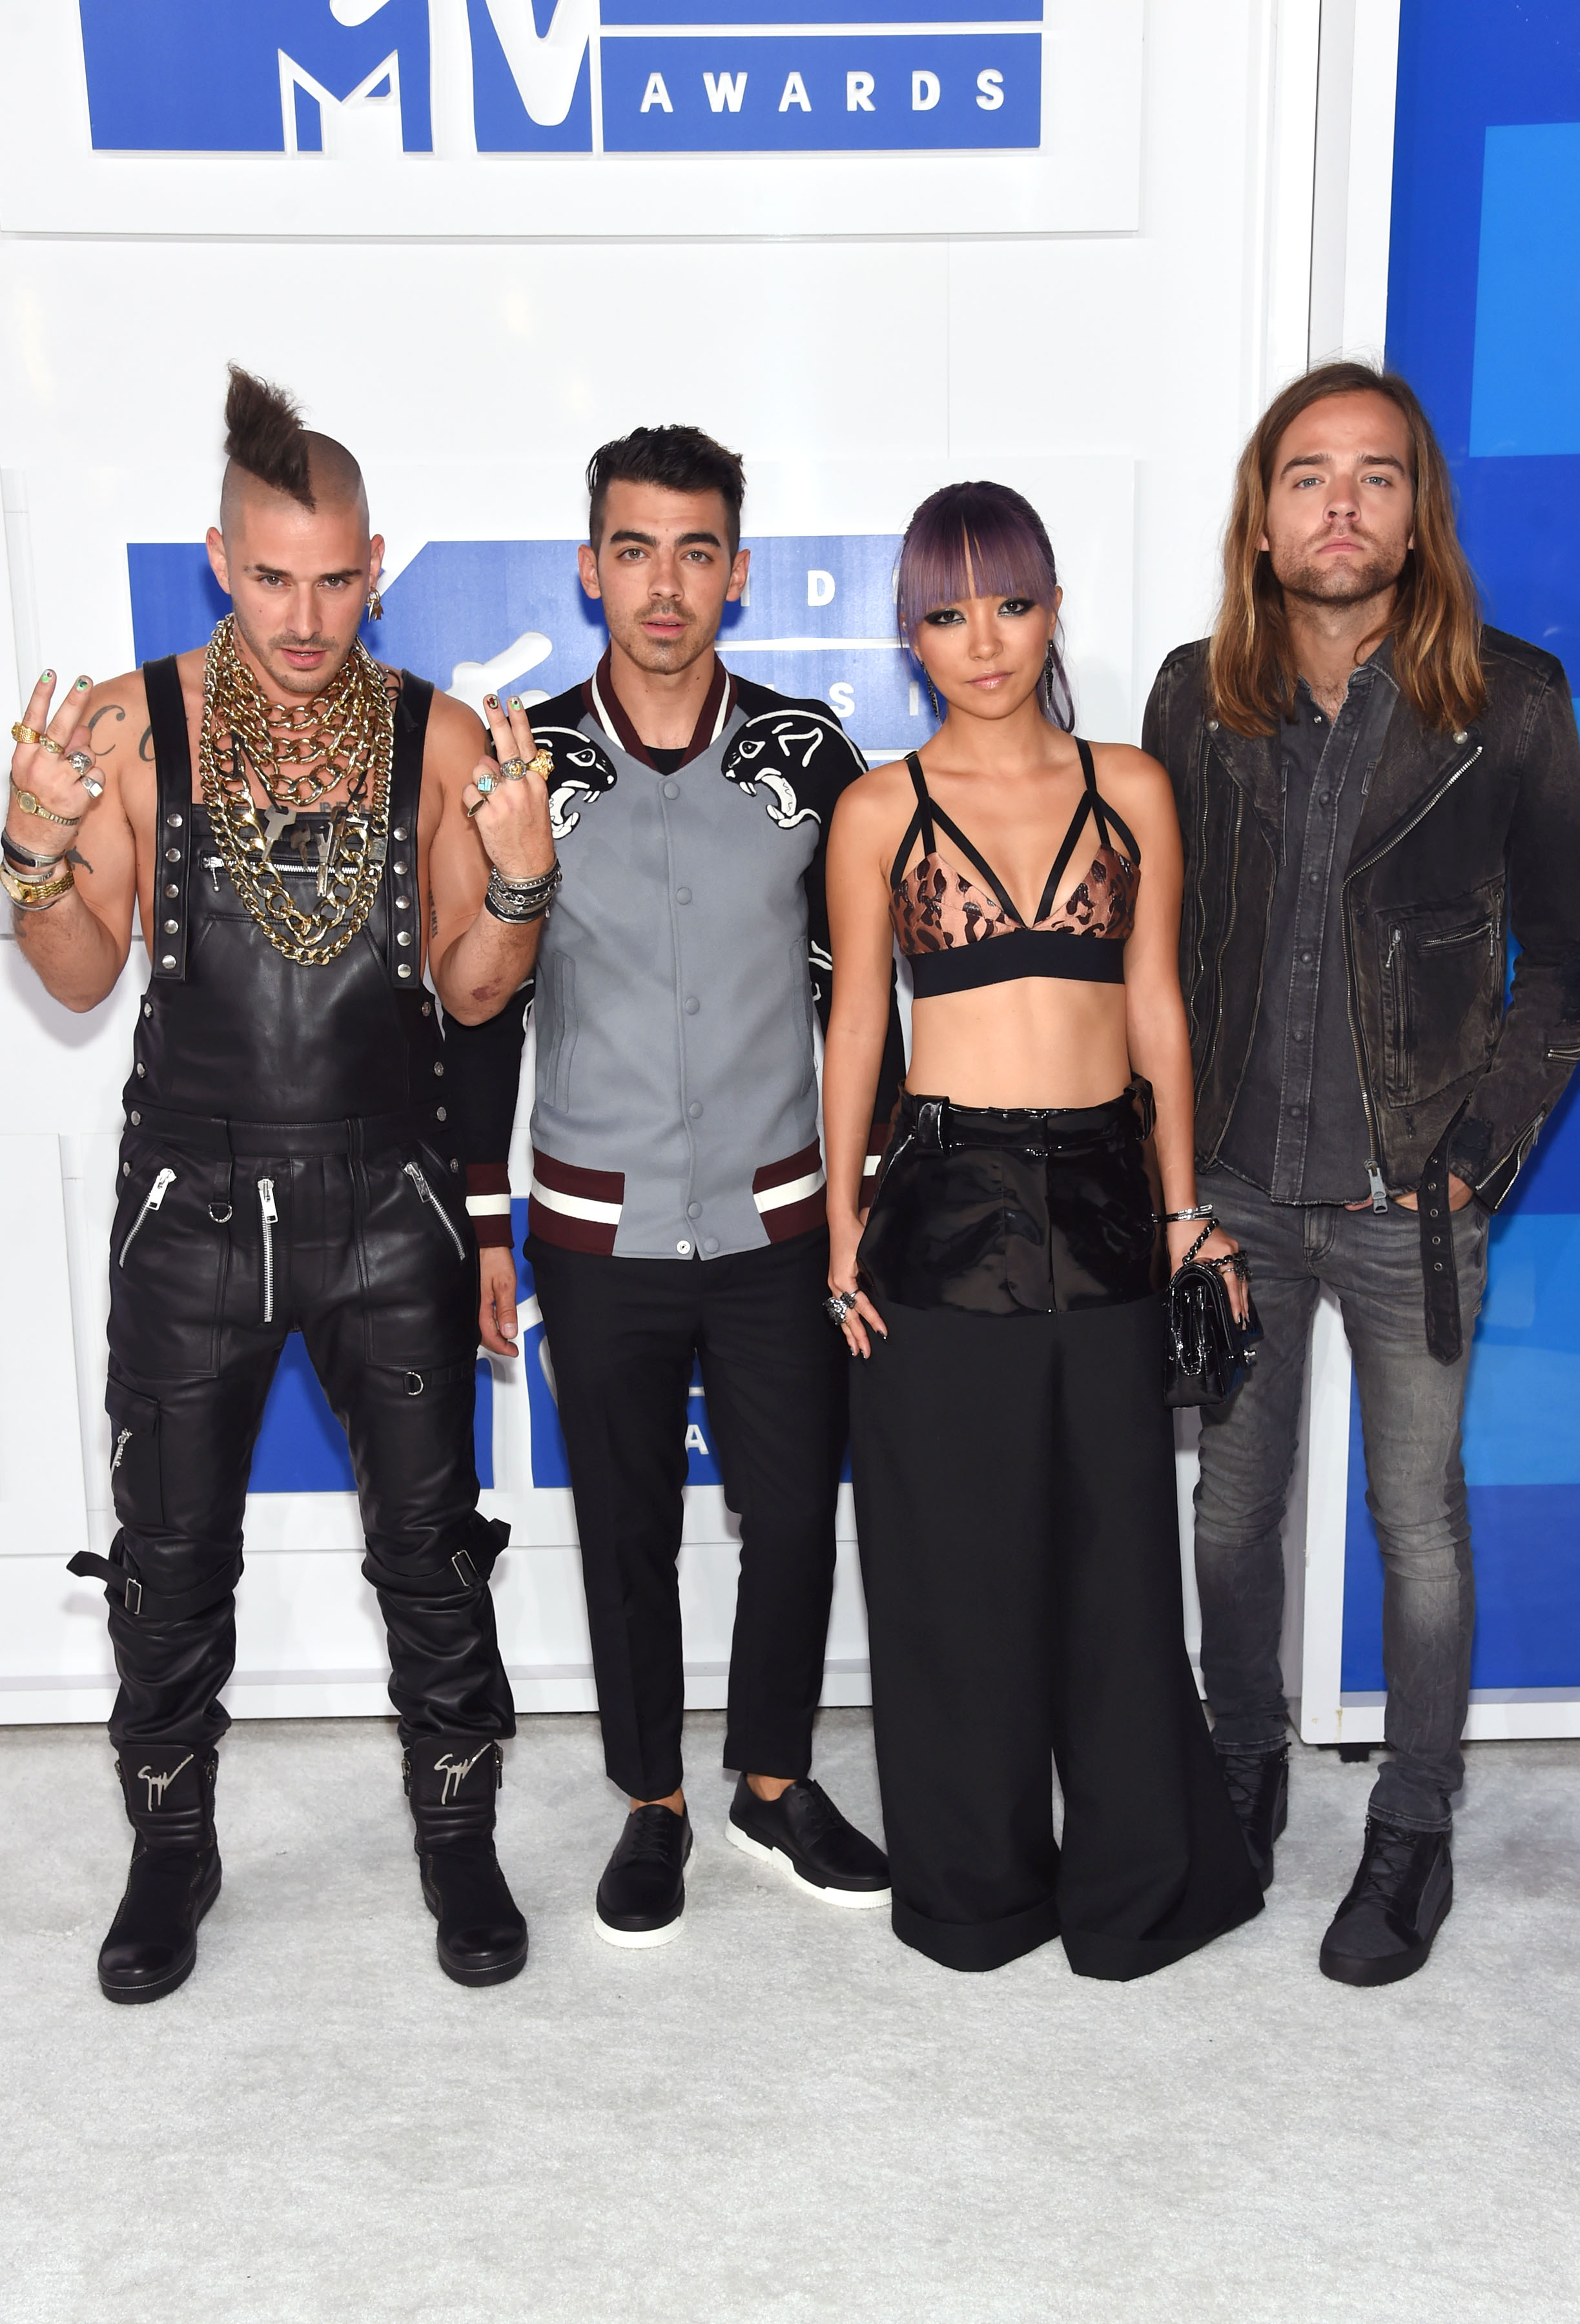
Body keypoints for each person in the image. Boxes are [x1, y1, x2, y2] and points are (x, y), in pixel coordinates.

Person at [6, 367, 558, 2001]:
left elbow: (473, 995)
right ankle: (170, 1847)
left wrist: (520, 885)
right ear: (217, 561)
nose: (305, 620)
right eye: (269, 579)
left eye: (333, 580)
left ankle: (456, 1835)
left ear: (375, 565)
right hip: (190, 1205)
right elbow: (79, 976)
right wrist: (31, 853)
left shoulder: (434, 736)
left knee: (430, 1551)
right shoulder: (131, 724)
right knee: (170, 1559)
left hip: (388, 1202)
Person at [1143, 360, 1580, 1984]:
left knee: (1415, 1524)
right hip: (1231, 1191)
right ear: (1261, 520)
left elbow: (1567, 960)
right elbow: (1158, 954)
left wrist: (1471, 1162)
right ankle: (1237, 1766)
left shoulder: (1510, 701)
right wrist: (1166, 1177)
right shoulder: (1193, 697)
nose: (1338, 505)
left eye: (1374, 476)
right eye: (1306, 476)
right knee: (1229, 1517)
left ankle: (1411, 1825)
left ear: (1415, 520)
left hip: (1411, 1197)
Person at [443, 425, 901, 1946]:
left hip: (777, 1221)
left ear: (736, 573)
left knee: (796, 1513)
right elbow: (480, 1008)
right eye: (632, 550)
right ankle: (651, 1800)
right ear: (590, 570)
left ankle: (771, 1779)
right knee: (624, 1526)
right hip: (596, 1226)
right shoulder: (521, 768)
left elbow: (858, 1000)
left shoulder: (808, 759)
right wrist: (488, 1223)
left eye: (693, 551)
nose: (662, 584)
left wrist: (862, 1205)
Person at [822, 480, 1264, 1978]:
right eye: (947, 614)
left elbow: (1156, 1008)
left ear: (1053, 610)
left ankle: (1137, 1889)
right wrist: (840, 1227)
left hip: (1102, 1199)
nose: (983, 640)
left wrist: (1183, 1208)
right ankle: (974, 1894)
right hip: (939, 1206)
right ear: (911, 636)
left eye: (1009, 604)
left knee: (1117, 1564)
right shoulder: (877, 810)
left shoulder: (1129, 785)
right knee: (952, 1569)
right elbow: (856, 1031)